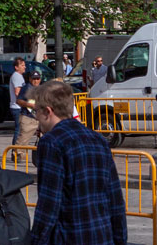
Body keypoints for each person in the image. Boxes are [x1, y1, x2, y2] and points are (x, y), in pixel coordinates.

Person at [27, 80, 127, 245]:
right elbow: (115, 199)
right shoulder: (98, 139)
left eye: (36, 111)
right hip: (102, 235)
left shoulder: (51, 142)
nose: (36, 116)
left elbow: (49, 204)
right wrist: (120, 239)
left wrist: (36, 240)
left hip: (70, 236)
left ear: (48, 111)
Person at [13, 67, 40, 145]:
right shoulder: (26, 88)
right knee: (22, 143)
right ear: (30, 79)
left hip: (39, 119)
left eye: (37, 78)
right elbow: (18, 101)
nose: (36, 81)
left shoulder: (41, 88)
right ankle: (18, 157)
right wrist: (30, 105)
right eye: (34, 78)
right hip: (28, 118)